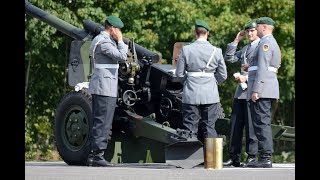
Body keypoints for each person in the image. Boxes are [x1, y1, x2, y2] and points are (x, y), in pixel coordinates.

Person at [175, 20, 227, 141]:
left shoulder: (186, 50)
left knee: (190, 128)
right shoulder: (217, 51)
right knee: (209, 127)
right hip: (210, 94)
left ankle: (191, 159)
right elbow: (223, 75)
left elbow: (179, 74)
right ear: (207, 33)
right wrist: (213, 83)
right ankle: (212, 159)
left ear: (195, 33)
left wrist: (187, 82)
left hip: (191, 92)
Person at [87, 15, 128, 167]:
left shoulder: (106, 40)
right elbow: (122, 56)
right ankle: (97, 155)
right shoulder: (104, 42)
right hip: (104, 87)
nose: (119, 32)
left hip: (106, 86)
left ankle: (95, 155)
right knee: (102, 122)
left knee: (103, 122)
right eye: (117, 29)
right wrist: (121, 40)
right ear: (112, 28)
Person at [223, 19, 260, 167]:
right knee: (235, 125)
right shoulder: (245, 48)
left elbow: (263, 70)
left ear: (257, 31)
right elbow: (229, 58)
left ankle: (252, 156)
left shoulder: (261, 47)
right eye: (247, 31)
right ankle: (234, 156)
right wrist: (236, 40)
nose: (250, 33)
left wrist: (247, 76)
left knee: (251, 127)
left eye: (252, 31)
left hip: (253, 91)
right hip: (241, 91)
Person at [246, 17, 281, 168]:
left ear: (264, 28)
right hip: (267, 88)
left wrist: (256, 90)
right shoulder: (268, 42)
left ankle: (265, 157)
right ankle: (264, 156)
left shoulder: (265, 43)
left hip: (263, 90)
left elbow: (263, 69)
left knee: (261, 124)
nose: (256, 29)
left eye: (258, 27)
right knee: (261, 123)